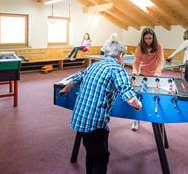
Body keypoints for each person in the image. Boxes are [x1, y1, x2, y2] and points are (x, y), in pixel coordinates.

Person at [60, 40, 142, 174]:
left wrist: (68, 85)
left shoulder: (94, 65)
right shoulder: (117, 68)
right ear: (120, 55)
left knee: (91, 153)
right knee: (101, 157)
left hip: (80, 119)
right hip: (95, 122)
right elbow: (130, 98)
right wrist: (139, 105)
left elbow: (79, 76)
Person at [131, 27, 163, 131]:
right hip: (142, 73)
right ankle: (136, 119)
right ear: (143, 38)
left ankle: (155, 118)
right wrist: (135, 72)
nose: (148, 41)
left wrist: (157, 73)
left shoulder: (158, 46)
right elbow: (136, 62)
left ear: (153, 38)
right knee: (139, 98)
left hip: (154, 74)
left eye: (150, 38)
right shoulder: (140, 47)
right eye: (146, 38)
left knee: (153, 97)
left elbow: (160, 61)